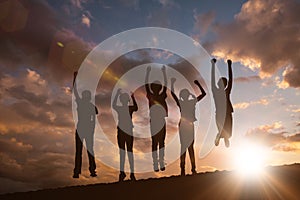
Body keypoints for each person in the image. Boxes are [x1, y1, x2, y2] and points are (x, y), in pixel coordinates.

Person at [171, 78, 206, 176]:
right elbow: (173, 94)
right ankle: (186, 169)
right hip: (185, 125)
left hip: (187, 125)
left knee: (188, 147)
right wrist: (197, 85)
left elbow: (203, 94)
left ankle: (191, 169)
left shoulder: (189, 102)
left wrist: (198, 85)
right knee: (186, 147)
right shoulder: (189, 102)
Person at [73, 71, 98, 178]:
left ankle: (90, 170)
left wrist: (92, 128)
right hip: (82, 128)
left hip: (85, 128)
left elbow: (95, 116)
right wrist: (75, 78)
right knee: (82, 150)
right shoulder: (84, 103)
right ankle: (78, 171)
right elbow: (75, 91)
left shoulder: (88, 105)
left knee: (87, 150)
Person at [145, 65, 168, 172]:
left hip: (160, 121)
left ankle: (161, 162)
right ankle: (156, 163)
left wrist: (164, 73)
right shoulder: (151, 96)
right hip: (155, 121)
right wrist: (148, 73)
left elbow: (165, 85)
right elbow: (146, 86)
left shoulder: (161, 95)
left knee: (160, 142)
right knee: (156, 142)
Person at [112, 89, 138, 181]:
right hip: (123, 131)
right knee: (124, 153)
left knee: (128, 153)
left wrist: (133, 98)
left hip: (126, 131)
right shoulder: (123, 108)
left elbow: (136, 107)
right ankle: (125, 173)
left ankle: (130, 173)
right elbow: (114, 105)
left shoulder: (128, 108)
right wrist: (132, 98)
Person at [211, 59, 233, 148]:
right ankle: (220, 136)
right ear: (219, 83)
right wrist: (212, 65)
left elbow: (231, 80)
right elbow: (212, 79)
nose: (225, 84)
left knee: (229, 131)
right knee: (221, 129)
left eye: (225, 83)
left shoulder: (227, 91)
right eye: (223, 82)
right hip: (220, 113)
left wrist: (229, 65)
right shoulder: (215, 91)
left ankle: (224, 137)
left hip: (227, 113)